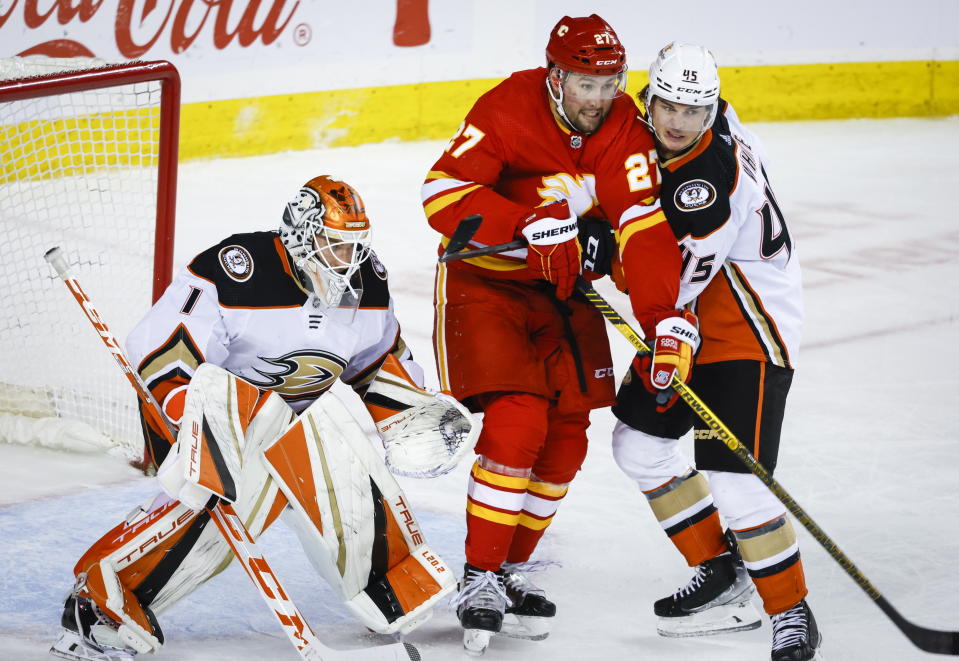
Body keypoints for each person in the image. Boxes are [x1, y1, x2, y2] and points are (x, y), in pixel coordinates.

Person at [49, 175, 472, 661]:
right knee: (237, 488)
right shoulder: (237, 269)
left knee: (349, 462)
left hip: (303, 430)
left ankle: (390, 586)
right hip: (216, 425)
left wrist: (407, 411)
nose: (346, 260)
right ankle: (103, 601)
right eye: (334, 245)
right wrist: (188, 412)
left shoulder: (367, 283)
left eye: (354, 246)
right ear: (300, 234)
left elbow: (376, 362)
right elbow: (167, 345)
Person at [420, 14, 661, 654]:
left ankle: (506, 572)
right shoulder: (507, 106)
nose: (600, 97)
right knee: (519, 423)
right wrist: (530, 222)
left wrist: (657, 305)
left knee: (567, 440)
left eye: (610, 81)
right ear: (555, 76)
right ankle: (478, 577)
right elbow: (440, 194)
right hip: (488, 286)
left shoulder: (626, 126)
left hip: (564, 290)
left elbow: (639, 228)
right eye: (586, 82)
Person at [609, 43, 821, 660]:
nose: (676, 122)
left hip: (748, 328)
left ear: (712, 115)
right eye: (667, 105)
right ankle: (722, 571)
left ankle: (789, 608)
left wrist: (600, 250)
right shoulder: (711, 126)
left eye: (691, 113)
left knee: (735, 478)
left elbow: (673, 282)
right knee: (638, 447)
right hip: (691, 319)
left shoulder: (706, 183)